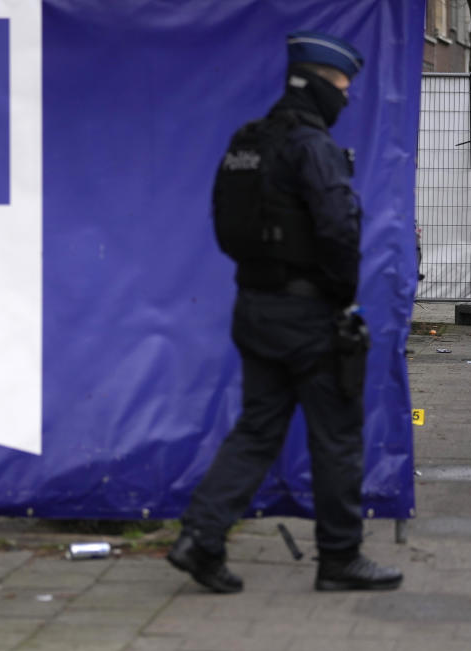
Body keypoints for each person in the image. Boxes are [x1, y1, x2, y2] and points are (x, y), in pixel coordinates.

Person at [167, 31, 403, 594]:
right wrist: (341, 298)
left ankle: (200, 536)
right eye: (342, 87)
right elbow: (339, 231)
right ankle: (340, 559)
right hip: (310, 317)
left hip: (254, 307)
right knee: (337, 437)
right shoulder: (312, 146)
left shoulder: (248, 142)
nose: (346, 98)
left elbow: (224, 226)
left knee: (256, 430)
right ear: (321, 84)